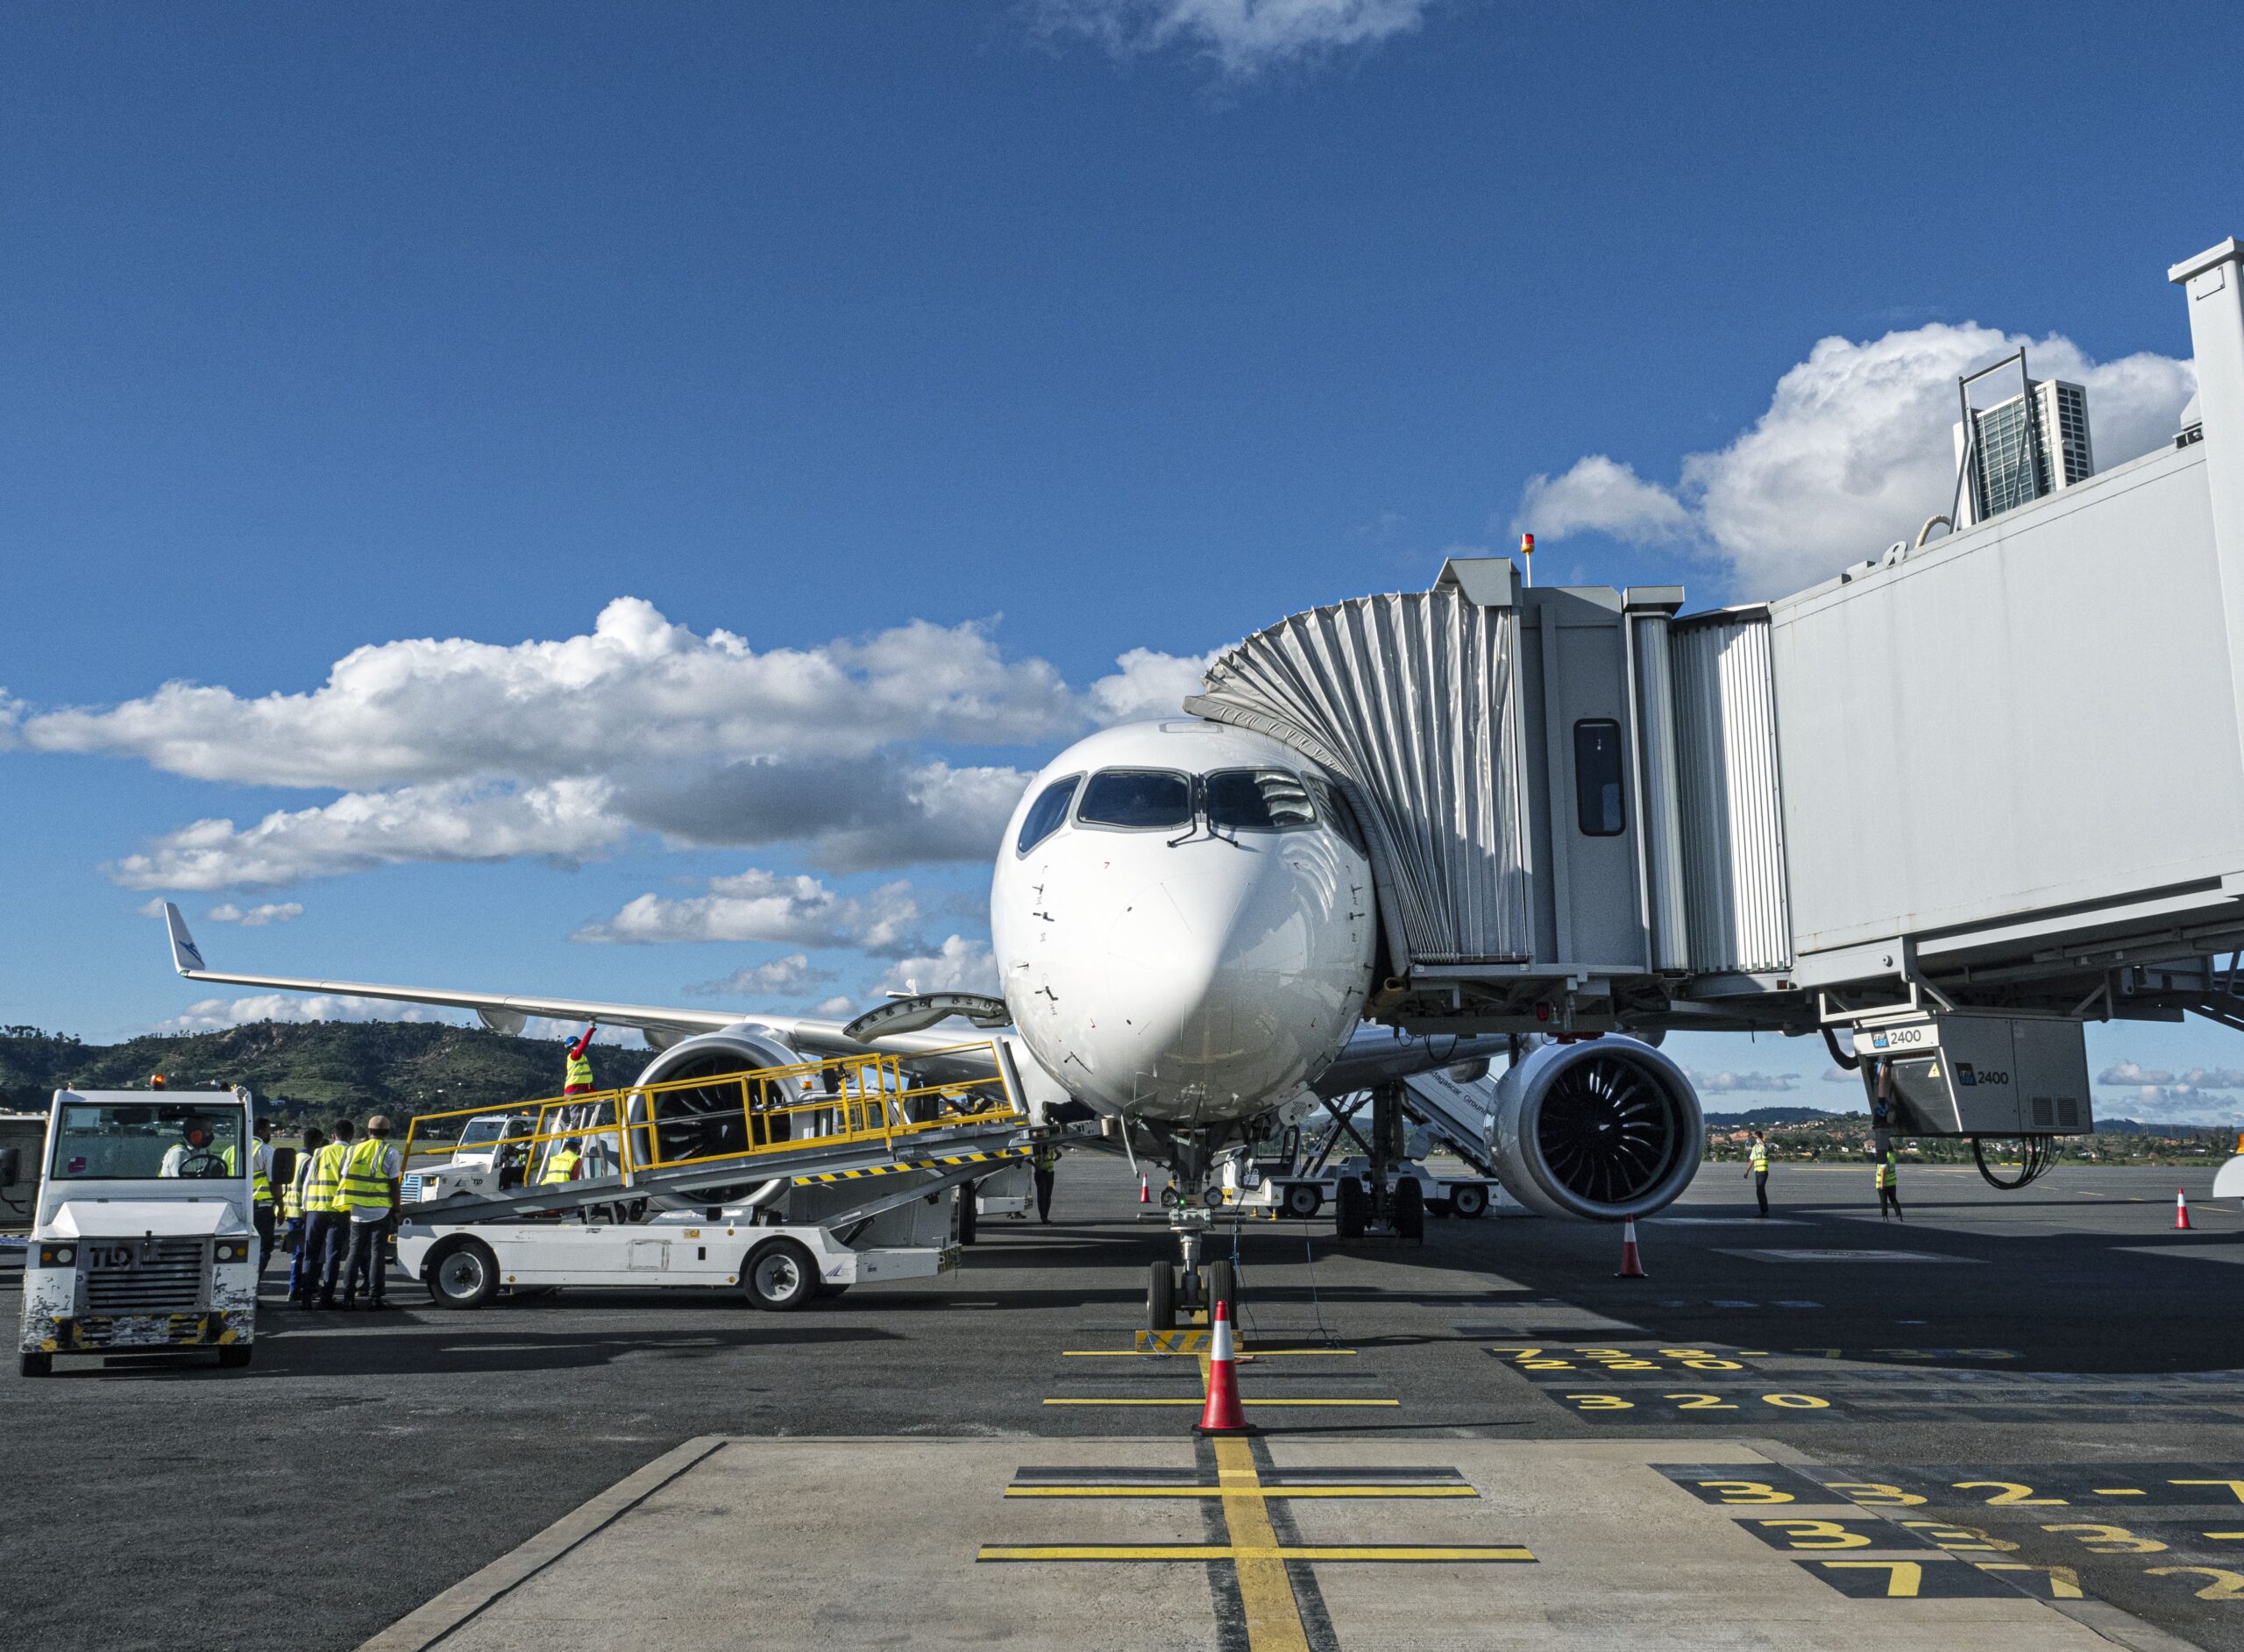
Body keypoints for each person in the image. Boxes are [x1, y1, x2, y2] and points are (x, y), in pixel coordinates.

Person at [339, 1116, 402, 1309]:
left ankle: (348, 1297)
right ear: (387, 1133)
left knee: (354, 1252)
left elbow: (344, 1173)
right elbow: (394, 1184)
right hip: (380, 1210)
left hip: (357, 1209)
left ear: (367, 1131)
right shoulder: (390, 1152)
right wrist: (397, 1208)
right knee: (377, 1253)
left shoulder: (353, 1150)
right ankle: (375, 1297)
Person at [309, 1118, 356, 1308]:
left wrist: (305, 1206)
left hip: (316, 1208)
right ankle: (326, 1297)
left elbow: (309, 1180)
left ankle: (307, 1295)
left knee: (311, 1254)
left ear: (333, 1135)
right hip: (339, 1210)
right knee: (333, 1255)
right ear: (351, 1136)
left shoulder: (319, 1151)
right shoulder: (351, 1152)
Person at [284, 1127, 327, 1303]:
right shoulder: (309, 1161)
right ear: (317, 1142)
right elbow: (309, 1188)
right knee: (304, 1253)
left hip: (289, 1210)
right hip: (303, 1212)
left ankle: (296, 1287)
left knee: (297, 1252)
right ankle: (297, 1288)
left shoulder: (296, 1158)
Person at [249, 1117, 277, 1274]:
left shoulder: (232, 1149)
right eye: (269, 1130)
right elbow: (274, 1181)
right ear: (261, 1132)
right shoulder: (265, 1150)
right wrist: (280, 1204)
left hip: (238, 1206)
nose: (270, 1133)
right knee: (263, 1248)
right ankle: (254, 1283)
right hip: (262, 1207)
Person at [563, 1024, 599, 1095]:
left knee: (588, 1104)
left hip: (581, 1089)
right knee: (579, 1106)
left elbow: (586, 1081)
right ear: (570, 1048)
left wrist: (598, 1095)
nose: (578, 1045)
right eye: (575, 1044)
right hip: (573, 1090)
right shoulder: (574, 1056)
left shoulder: (582, 1057)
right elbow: (583, 1044)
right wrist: (591, 1029)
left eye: (578, 1043)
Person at [1032, 1142, 1060, 1224]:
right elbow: (1026, 1158)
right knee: (1042, 1196)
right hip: (1041, 1174)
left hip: (1050, 1173)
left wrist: (1053, 1161)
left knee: (1047, 1196)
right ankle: (1043, 1217)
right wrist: (1035, 1165)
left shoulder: (1051, 1146)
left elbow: (1060, 1154)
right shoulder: (1036, 1146)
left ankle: (1045, 1217)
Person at [1744, 1130, 1770, 1217]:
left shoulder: (1764, 1146)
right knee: (1759, 1191)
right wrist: (1747, 1170)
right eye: (1755, 1138)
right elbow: (1752, 1159)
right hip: (1757, 1172)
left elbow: (1765, 1148)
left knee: (1760, 1189)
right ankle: (1763, 1211)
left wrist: (1760, 1138)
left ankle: (1764, 1211)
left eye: (1756, 1138)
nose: (1756, 1139)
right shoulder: (1755, 1147)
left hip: (1763, 1171)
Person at [1876, 1145, 1903, 1221]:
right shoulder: (1891, 1156)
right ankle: (1899, 1215)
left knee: (1883, 1200)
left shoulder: (1883, 1157)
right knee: (1893, 1199)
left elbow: (1883, 1170)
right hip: (1892, 1182)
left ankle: (1884, 1216)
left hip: (1883, 1183)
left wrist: (1881, 1183)